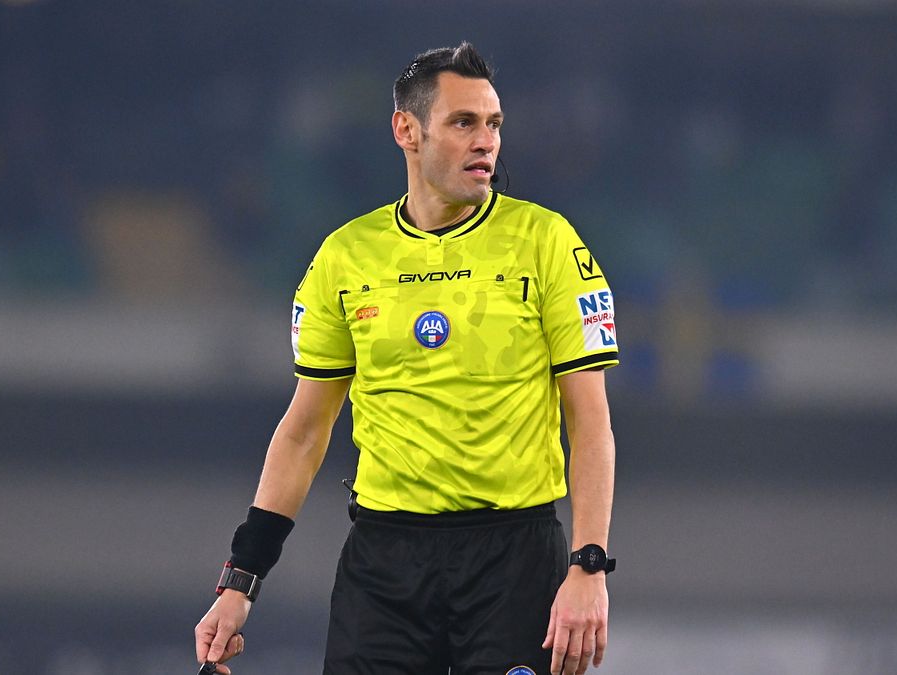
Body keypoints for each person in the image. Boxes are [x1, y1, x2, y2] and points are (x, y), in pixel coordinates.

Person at [194, 41, 619, 675]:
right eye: (464, 122)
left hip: (514, 560)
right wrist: (240, 581)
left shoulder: (547, 242)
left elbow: (590, 423)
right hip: (385, 565)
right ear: (407, 131)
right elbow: (304, 431)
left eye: (494, 123)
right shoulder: (346, 257)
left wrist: (588, 566)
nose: (487, 141)